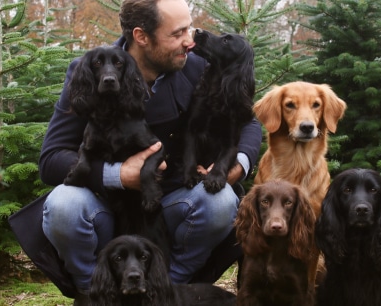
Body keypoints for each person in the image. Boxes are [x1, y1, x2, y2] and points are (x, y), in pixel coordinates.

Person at [38, 0, 262, 303]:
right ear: (142, 36)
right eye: (177, 33)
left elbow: (245, 121)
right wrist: (117, 175)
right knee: (64, 205)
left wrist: (239, 165)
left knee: (221, 202)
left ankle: (168, 289)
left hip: (169, 204)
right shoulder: (89, 70)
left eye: (188, 28)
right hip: (105, 208)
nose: (190, 40)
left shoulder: (195, 66)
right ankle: (94, 292)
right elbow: (51, 158)